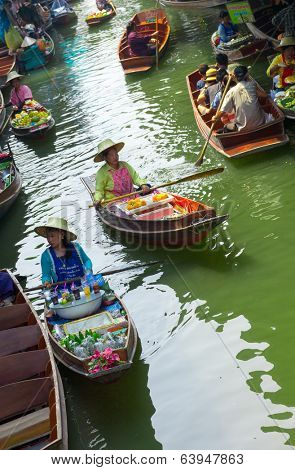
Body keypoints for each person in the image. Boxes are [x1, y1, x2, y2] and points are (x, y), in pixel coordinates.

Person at [34, 217, 92, 287]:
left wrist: (88, 270)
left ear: (62, 235)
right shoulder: (46, 256)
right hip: (63, 294)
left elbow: (87, 260)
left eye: (52, 236)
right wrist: (46, 282)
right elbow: (46, 275)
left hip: (84, 286)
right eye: (48, 236)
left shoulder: (76, 247)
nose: (49, 240)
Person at [213, 65, 271, 132]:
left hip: (243, 128)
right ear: (247, 75)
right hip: (260, 123)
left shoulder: (231, 92)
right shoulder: (252, 84)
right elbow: (265, 95)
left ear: (235, 77)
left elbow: (222, 111)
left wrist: (215, 117)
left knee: (227, 126)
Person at [94, 139, 150, 204]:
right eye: (111, 155)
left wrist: (143, 185)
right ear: (105, 158)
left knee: (151, 190)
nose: (115, 157)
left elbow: (136, 178)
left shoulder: (125, 165)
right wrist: (97, 199)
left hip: (132, 197)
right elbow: (99, 190)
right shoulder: (101, 173)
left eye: (116, 154)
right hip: (115, 202)